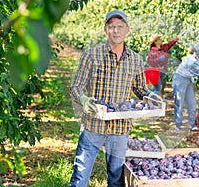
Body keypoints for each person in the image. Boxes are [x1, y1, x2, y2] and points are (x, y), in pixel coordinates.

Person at [68, 10, 160, 187]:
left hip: (120, 128)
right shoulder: (92, 55)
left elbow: (140, 89)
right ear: (105, 30)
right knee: (80, 176)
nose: (115, 31)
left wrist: (150, 97)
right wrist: (85, 100)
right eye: (111, 27)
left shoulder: (135, 60)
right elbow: (76, 87)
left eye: (119, 27)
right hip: (93, 126)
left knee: (117, 179)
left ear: (127, 30)